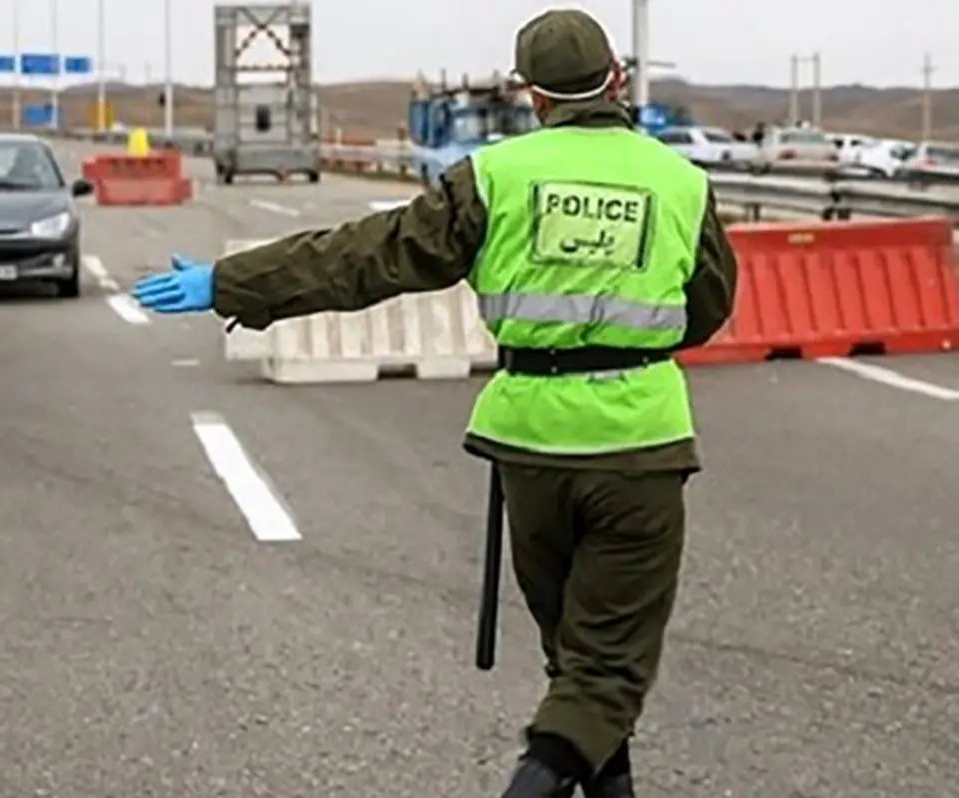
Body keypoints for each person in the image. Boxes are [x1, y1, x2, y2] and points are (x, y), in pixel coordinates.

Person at [131, 8, 737, 796]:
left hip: (531, 446)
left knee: (578, 668)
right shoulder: (680, 181)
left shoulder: (493, 177)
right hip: (639, 445)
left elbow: (366, 258)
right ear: (616, 79)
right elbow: (710, 306)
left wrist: (230, 282)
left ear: (533, 96)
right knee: (605, 671)